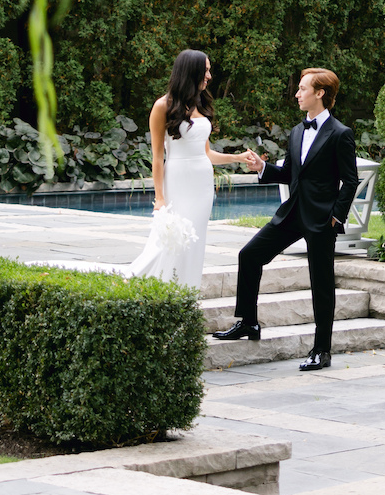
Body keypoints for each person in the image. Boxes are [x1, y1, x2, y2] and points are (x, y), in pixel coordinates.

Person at [212, 67, 358, 371]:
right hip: (291, 213)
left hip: (321, 220)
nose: (297, 94)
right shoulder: (296, 132)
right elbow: (290, 174)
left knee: (322, 283)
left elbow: (350, 180)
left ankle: (322, 350)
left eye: (303, 89)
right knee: (249, 255)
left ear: (320, 94)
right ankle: (248, 322)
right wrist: (262, 167)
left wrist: (336, 217)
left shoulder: (341, 134)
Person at [127, 49, 247, 287]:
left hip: (202, 184)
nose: (210, 76)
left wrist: (239, 158)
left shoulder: (200, 103)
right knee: (173, 239)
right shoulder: (162, 106)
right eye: (206, 71)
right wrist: (159, 198)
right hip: (178, 181)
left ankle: (188, 288)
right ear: (191, 72)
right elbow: (157, 157)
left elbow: (207, 154)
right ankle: (159, 286)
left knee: (194, 240)